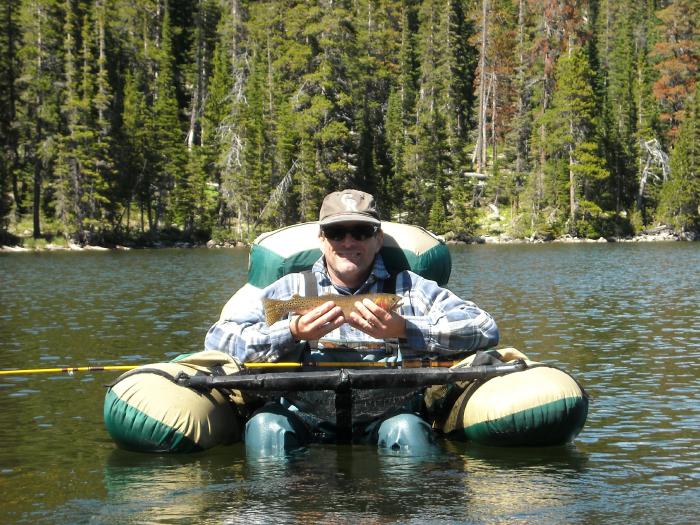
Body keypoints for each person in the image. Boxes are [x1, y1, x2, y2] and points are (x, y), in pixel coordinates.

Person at [205, 189, 499, 456]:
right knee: (266, 427)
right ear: (322, 239)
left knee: (408, 431)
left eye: (361, 231)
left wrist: (406, 329)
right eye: (336, 232)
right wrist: (291, 332)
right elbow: (219, 339)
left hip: (390, 416)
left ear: (378, 239)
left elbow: (484, 327)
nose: (348, 242)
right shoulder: (290, 289)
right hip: (304, 415)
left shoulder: (410, 288)